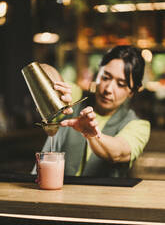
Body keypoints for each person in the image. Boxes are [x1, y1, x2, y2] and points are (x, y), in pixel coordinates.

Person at [32, 45, 151, 178]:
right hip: (46, 190)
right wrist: (54, 85)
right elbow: (45, 73)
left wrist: (92, 135)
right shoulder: (75, 96)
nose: (109, 89)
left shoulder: (139, 125)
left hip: (98, 198)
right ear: (97, 74)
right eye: (105, 77)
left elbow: (117, 152)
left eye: (121, 84)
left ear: (132, 92)